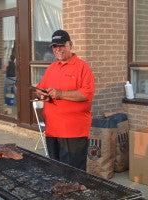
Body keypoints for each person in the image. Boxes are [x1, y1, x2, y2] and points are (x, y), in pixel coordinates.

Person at [36, 30, 95, 171]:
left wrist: (60, 94)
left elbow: (86, 94)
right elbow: (40, 88)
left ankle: (76, 193)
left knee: (73, 174)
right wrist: (42, 95)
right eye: (55, 46)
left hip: (73, 133)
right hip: (52, 131)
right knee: (56, 171)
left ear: (70, 45)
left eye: (61, 45)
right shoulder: (51, 68)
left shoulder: (82, 67)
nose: (58, 49)